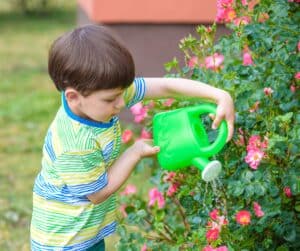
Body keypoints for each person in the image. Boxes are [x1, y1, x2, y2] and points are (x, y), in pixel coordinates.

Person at [30, 24, 234, 251]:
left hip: (85, 232)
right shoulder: (75, 144)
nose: (121, 103)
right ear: (73, 97)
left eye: (121, 94)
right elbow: (96, 193)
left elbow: (164, 86)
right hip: (64, 241)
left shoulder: (97, 92)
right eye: (111, 100)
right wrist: (134, 152)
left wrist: (218, 95)